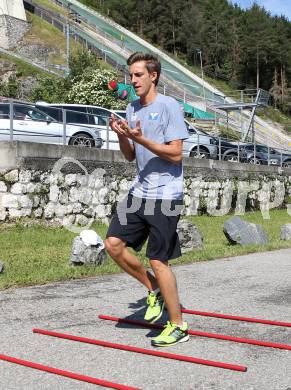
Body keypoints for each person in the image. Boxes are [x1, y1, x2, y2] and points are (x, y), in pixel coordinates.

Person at [105, 52, 189, 347]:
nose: (132, 80)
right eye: (130, 75)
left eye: (138, 75)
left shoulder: (170, 106)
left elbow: (176, 153)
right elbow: (130, 156)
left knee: (157, 257)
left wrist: (140, 139)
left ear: (153, 76)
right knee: (113, 244)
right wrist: (122, 135)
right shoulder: (131, 108)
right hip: (139, 191)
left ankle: (178, 325)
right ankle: (152, 288)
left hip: (166, 194)